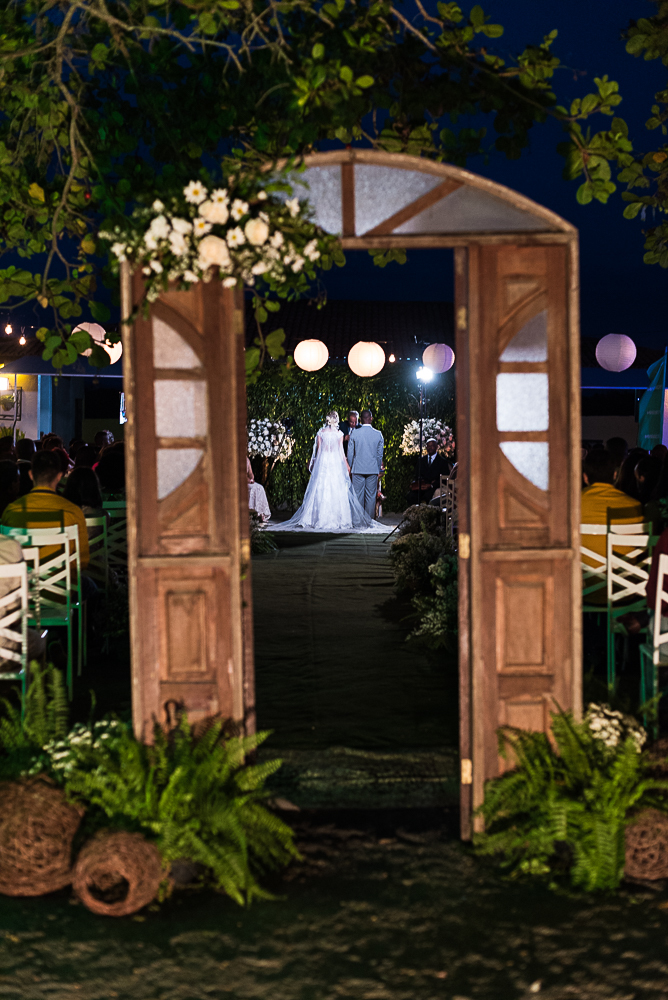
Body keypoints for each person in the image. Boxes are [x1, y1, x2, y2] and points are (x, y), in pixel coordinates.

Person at [271, 411, 385, 533]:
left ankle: (345, 521)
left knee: (324, 489)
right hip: (341, 463)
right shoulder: (343, 434)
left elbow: (320, 451)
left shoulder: (322, 433)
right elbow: (344, 453)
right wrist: (350, 466)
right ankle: (366, 522)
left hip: (325, 462)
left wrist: (350, 465)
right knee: (353, 493)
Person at [2, 450, 90, 571]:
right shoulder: (73, 512)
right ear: (59, 476)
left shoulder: (12, 511)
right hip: (64, 581)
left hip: (24, 581)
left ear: (31, 475)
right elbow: (83, 561)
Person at [581, 448, 644, 604]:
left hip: (581, 592)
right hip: (624, 592)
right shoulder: (634, 506)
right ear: (615, 475)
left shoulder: (571, 504)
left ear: (585, 477)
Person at [347, 409, 384, 519]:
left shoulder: (354, 433)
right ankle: (368, 522)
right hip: (372, 469)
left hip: (357, 469)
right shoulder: (378, 434)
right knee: (371, 497)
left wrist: (351, 467)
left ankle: (358, 522)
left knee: (357, 496)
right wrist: (377, 468)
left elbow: (350, 453)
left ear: (361, 420)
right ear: (371, 419)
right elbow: (379, 455)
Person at [406, 438, 451, 505]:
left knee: (428, 498)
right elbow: (417, 474)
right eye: (428, 446)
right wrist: (419, 483)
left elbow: (445, 478)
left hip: (433, 488)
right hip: (421, 487)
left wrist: (432, 485)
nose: (430, 448)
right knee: (410, 496)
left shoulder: (442, 461)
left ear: (436, 447)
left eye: (432, 446)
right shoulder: (421, 460)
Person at [246, 457, 271, 522]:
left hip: (248, 481)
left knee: (260, 487)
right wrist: (247, 480)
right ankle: (250, 513)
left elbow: (250, 472)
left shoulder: (247, 459)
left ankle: (260, 513)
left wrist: (251, 478)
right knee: (252, 489)